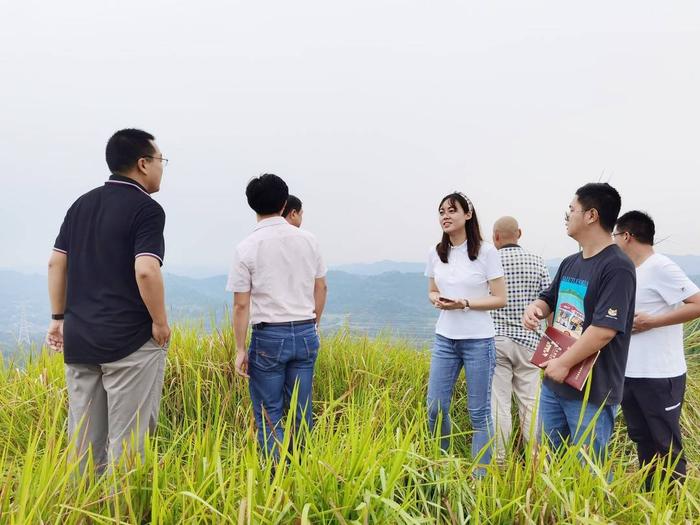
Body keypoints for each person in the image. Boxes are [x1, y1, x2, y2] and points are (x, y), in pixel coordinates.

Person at [46, 128, 169, 475]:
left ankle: (81, 510)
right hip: (129, 342)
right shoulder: (147, 209)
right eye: (161, 160)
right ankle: (121, 512)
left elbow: (57, 262)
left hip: (81, 339)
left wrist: (58, 317)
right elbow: (146, 270)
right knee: (129, 445)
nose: (162, 167)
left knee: (83, 442)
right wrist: (159, 323)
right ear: (143, 164)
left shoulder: (82, 204)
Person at [522, 183, 636, 462]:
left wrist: (563, 363)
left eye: (572, 209)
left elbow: (604, 331)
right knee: (550, 464)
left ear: (591, 215)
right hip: (555, 383)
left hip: (591, 392)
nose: (567, 216)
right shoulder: (571, 262)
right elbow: (549, 298)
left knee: (589, 472)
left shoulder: (617, 266)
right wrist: (535, 308)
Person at [228, 174, 328, 459]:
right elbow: (321, 287)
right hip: (306, 331)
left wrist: (239, 348)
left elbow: (240, 305)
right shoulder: (309, 240)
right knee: (301, 409)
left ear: (252, 205)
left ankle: (276, 478)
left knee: (269, 413)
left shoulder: (246, 247)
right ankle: (303, 472)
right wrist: (314, 324)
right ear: (285, 203)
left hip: (269, 335)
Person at [613, 211, 700, 489]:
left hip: (661, 375)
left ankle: (674, 505)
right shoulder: (631, 271)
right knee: (642, 439)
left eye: (615, 235)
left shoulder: (661, 266)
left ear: (627, 236)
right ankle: (651, 498)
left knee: (666, 442)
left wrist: (654, 321)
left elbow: (697, 303)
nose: (613, 241)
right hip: (631, 373)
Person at [425, 191, 507, 475]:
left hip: (478, 341)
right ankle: (440, 467)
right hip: (444, 339)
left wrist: (465, 303)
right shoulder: (437, 252)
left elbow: (499, 298)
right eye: (441, 212)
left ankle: (479, 480)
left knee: (478, 413)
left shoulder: (486, 252)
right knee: (435, 407)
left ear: (467, 215)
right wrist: (437, 299)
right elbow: (432, 291)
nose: (445, 216)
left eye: (451, 210)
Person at [490, 216, 551, 459]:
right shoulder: (537, 262)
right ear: (520, 233)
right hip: (530, 342)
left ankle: (500, 462)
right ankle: (536, 462)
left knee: (499, 404)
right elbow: (549, 302)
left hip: (496, 341)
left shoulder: (490, 263)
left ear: (495, 237)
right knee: (531, 404)